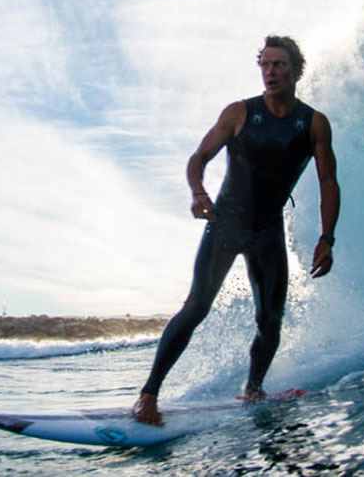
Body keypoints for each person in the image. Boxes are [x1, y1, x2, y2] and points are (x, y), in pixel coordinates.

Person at [133, 35, 341, 426]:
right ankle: (148, 395)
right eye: (265, 65)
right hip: (226, 224)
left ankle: (254, 388)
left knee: (270, 320)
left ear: (296, 71)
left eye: (278, 65)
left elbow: (328, 181)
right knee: (197, 307)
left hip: (267, 231)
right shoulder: (239, 113)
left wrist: (327, 238)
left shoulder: (313, 123)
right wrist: (198, 192)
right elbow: (199, 157)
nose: (270, 72)